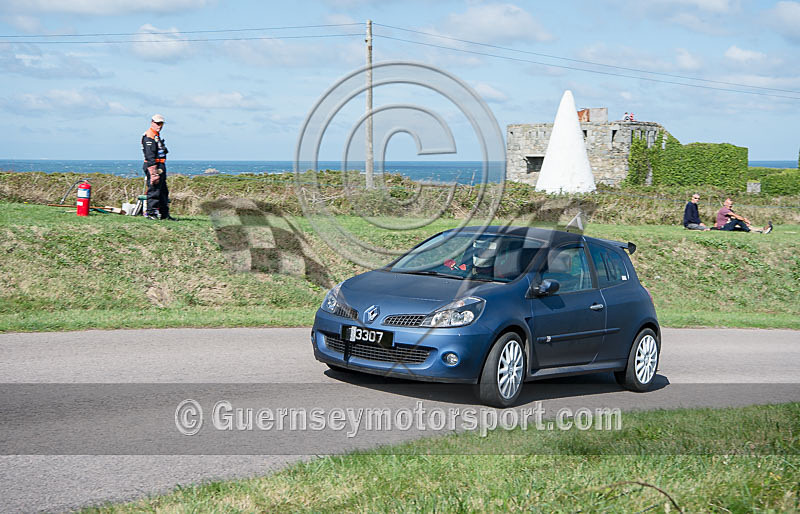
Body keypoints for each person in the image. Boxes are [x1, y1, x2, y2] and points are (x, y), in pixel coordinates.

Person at [141, 114, 175, 220]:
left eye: (161, 124)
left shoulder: (156, 135)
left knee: (163, 191)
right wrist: (153, 172)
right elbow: (149, 155)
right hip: (153, 165)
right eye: (157, 123)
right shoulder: (149, 136)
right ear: (152, 123)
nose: (159, 126)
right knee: (154, 189)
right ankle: (151, 213)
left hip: (160, 164)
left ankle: (164, 214)